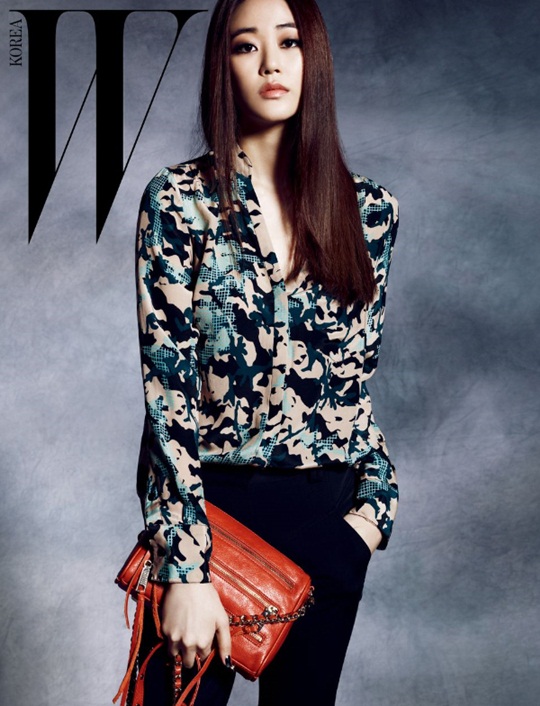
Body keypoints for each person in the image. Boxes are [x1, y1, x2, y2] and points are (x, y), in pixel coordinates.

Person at [132, 0, 399, 704]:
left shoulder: (370, 212)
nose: (272, 63)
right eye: (247, 46)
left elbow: (355, 385)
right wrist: (184, 568)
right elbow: (168, 392)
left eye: (289, 42)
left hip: (328, 519)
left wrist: (370, 517)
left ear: (315, 58)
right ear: (223, 66)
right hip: (215, 518)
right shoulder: (179, 201)